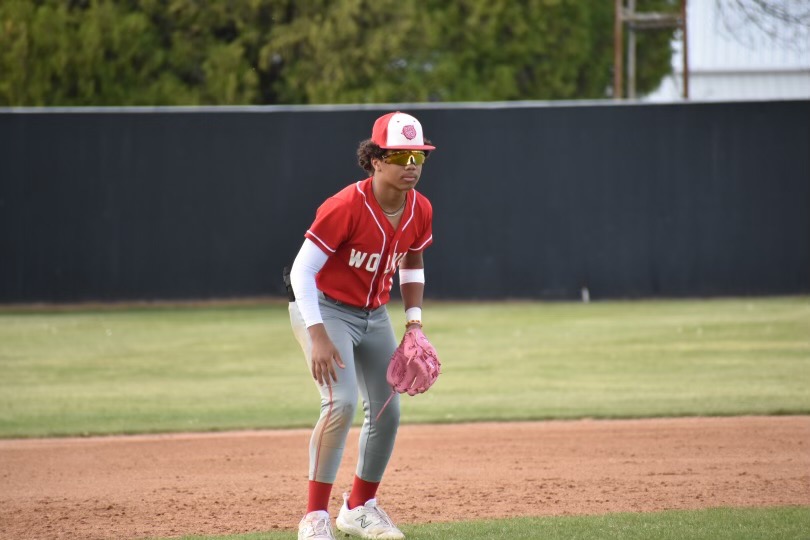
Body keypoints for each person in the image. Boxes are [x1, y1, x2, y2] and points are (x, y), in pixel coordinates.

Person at [287, 111, 436, 540]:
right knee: (341, 403)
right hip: (324, 309)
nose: (411, 164)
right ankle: (314, 517)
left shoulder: (420, 208)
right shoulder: (345, 206)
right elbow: (301, 272)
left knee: (388, 410)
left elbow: (412, 261)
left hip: (373, 314)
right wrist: (317, 334)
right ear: (375, 159)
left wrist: (414, 324)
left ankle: (359, 508)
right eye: (401, 155)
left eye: (419, 155)